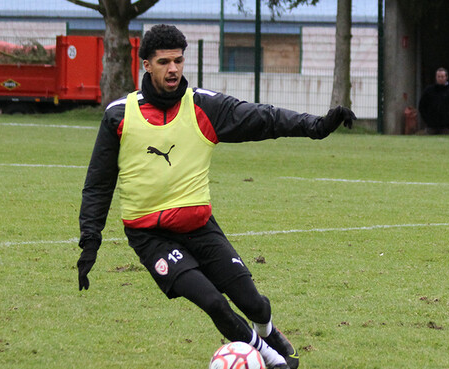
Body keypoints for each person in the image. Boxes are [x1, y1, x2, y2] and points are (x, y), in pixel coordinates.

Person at [76, 24, 355, 369]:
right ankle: (271, 359)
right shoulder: (119, 116)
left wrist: (316, 126)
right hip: (150, 235)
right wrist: (91, 240)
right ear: (145, 64)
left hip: (199, 226)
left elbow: (263, 118)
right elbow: (98, 183)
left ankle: (267, 330)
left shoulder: (203, 107)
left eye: (178, 60)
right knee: (213, 302)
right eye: (164, 62)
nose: (174, 69)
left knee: (254, 304)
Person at [418, 67, 449, 134]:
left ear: (446, 77)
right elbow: (422, 106)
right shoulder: (429, 90)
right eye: (438, 76)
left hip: (447, 128)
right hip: (431, 127)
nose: (440, 78)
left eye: (442, 76)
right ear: (436, 77)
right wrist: (428, 120)